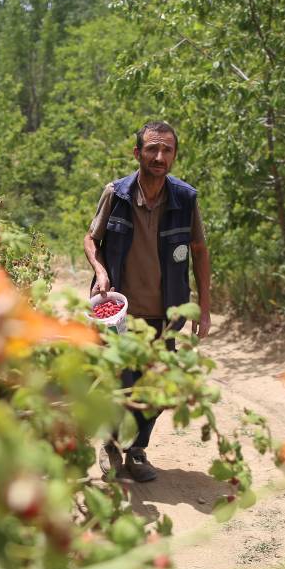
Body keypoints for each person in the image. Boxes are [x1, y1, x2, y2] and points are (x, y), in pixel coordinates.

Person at [83, 120, 211, 482]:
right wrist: (101, 272)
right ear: (137, 153)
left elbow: (200, 251)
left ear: (174, 156)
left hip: (164, 312)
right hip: (119, 311)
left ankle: (137, 450)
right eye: (152, 149)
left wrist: (204, 306)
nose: (159, 156)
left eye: (166, 150)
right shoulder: (117, 193)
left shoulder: (185, 199)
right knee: (118, 380)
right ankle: (110, 444)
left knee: (154, 386)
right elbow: (91, 239)